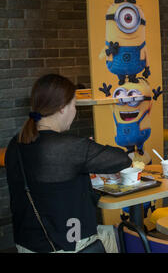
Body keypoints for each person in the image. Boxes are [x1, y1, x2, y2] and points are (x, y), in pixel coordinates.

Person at [5, 74, 132, 253]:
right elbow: (122, 159)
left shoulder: (15, 143)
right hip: (66, 245)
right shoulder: (69, 146)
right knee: (122, 236)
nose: (75, 111)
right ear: (62, 108)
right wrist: (86, 150)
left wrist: (83, 155)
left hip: (26, 244)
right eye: (74, 105)